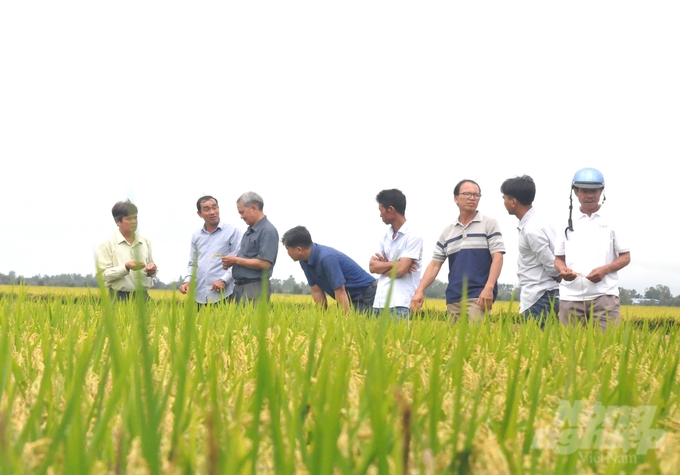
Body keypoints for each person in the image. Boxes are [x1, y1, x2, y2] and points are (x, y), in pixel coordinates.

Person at [410, 179, 505, 322]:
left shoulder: (489, 224)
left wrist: (489, 288)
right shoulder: (448, 231)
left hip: (478, 296)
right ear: (456, 198)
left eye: (476, 195)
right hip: (454, 297)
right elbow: (435, 264)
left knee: (476, 341)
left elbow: (497, 257)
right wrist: (420, 290)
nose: (472, 198)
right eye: (467, 194)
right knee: (454, 343)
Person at [554, 167, 630, 329]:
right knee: (569, 350)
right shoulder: (565, 221)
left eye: (594, 191)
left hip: (605, 296)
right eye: (584, 191)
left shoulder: (613, 220)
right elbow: (559, 259)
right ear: (575, 192)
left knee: (608, 350)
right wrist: (563, 270)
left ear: (601, 191)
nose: (590, 195)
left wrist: (605, 269)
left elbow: (625, 257)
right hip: (571, 296)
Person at [501, 175, 560, 327]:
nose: (504, 202)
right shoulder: (540, 222)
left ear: (513, 201)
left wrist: (561, 276)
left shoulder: (532, 229)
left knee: (537, 347)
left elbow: (552, 265)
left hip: (539, 297)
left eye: (505, 198)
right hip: (542, 295)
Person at [282, 226, 377, 313]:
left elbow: (340, 290)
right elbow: (316, 291)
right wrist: (322, 318)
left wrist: (345, 321)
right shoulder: (304, 261)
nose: (287, 253)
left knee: (360, 325)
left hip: (367, 295)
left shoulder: (326, 258)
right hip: (350, 298)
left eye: (288, 249)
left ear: (299, 249)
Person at [179, 195, 243, 307]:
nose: (212, 212)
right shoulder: (196, 235)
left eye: (215, 207)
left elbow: (237, 261)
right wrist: (187, 281)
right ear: (199, 214)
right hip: (199, 296)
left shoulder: (233, 231)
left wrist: (224, 280)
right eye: (207, 209)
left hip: (225, 294)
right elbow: (193, 263)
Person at [369, 189, 423, 319]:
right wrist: (395, 263)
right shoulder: (384, 236)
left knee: (399, 340)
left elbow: (401, 270)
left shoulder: (413, 235)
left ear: (390, 209)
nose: (380, 215)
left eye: (381, 210)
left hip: (400, 303)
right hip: (379, 302)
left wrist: (384, 266)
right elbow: (372, 267)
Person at [221, 192, 278, 303]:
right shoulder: (249, 231)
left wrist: (236, 260)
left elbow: (265, 263)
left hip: (254, 287)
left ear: (253, 208)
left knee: (250, 319)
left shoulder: (267, 231)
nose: (241, 217)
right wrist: (233, 262)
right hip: (239, 287)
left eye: (242, 212)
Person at [97, 200, 157, 300]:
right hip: (118, 297)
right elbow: (103, 275)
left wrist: (152, 269)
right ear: (117, 222)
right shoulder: (107, 244)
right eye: (129, 219)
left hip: (143, 297)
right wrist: (126, 267)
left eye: (135, 217)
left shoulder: (145, 241)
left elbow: (150, 264)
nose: (134, 221)